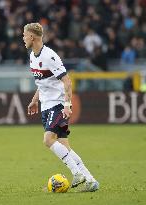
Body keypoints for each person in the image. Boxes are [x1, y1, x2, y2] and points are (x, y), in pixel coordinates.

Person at [23, 23, 99, 192]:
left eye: (24, 35)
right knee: (65, 146)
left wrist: (67, 105)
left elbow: (67, 81)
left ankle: (77, 173)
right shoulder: (32, 57)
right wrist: (35, 100)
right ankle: (91, 181)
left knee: (48, 140)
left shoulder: (49, 56)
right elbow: (42, 83)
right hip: (45, 106)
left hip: (57, 105)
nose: (23, 38)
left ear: (32, 37)